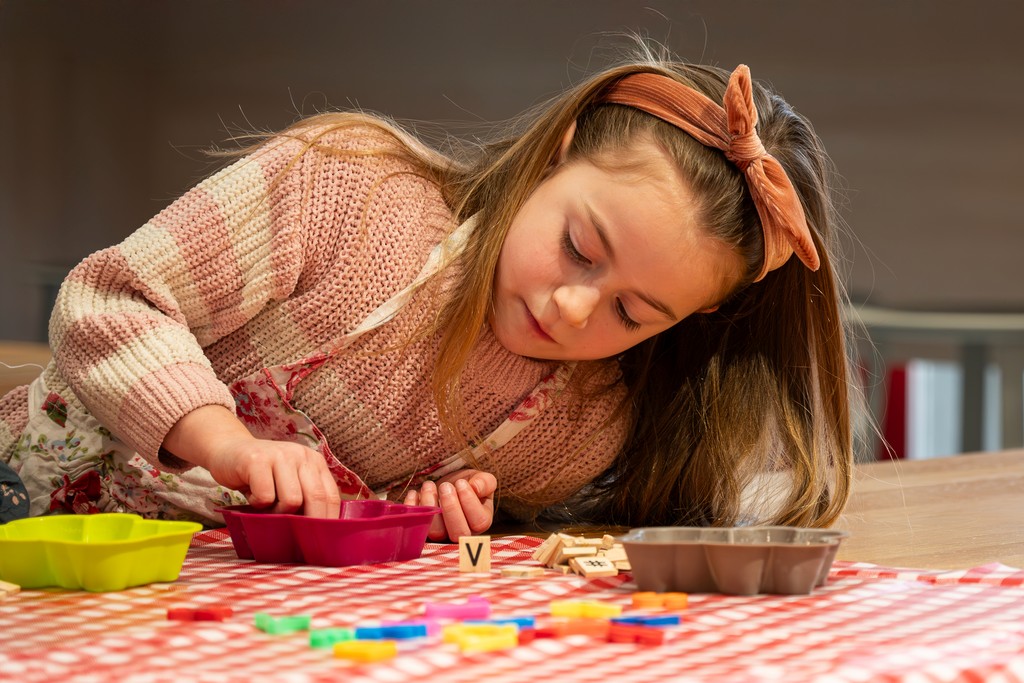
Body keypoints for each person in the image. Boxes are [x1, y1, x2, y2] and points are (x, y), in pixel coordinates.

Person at [0, 43, 856, 540]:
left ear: (696, 317)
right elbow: (111, 298)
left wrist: (424, 520)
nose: (571, 309)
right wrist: (223, 441)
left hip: (193, 610)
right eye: (578, 247)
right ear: (557, 152)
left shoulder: (581, 425)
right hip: (30, 518)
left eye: (632, 312)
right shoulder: (345, 188)